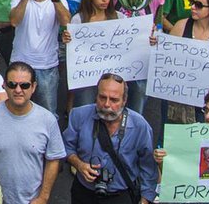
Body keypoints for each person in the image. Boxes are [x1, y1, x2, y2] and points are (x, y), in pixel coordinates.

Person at [0, 61, 66, 204]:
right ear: (4, 85)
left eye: (24, 85)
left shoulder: (48, 120)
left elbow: (53, 159)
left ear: (34, 87)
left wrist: (43, 197)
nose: (18, 90)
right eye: (12, 84)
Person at [63, 73, 158, 204]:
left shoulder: (140, 126)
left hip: (121, 196)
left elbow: (148, 166)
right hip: (84, 193)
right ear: (96, 96)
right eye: (102, 97)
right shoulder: (78, 115)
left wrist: (145, 199)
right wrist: (79, 165)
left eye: (114, 100)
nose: (106, 104)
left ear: (124, 101)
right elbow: (65, 148)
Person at [8, 0, 70, 116]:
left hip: (47, 67)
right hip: (20, 64)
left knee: (48, 113)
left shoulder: (59, 0)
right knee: (16, 111)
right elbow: (14, 21)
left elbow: (66, 22)